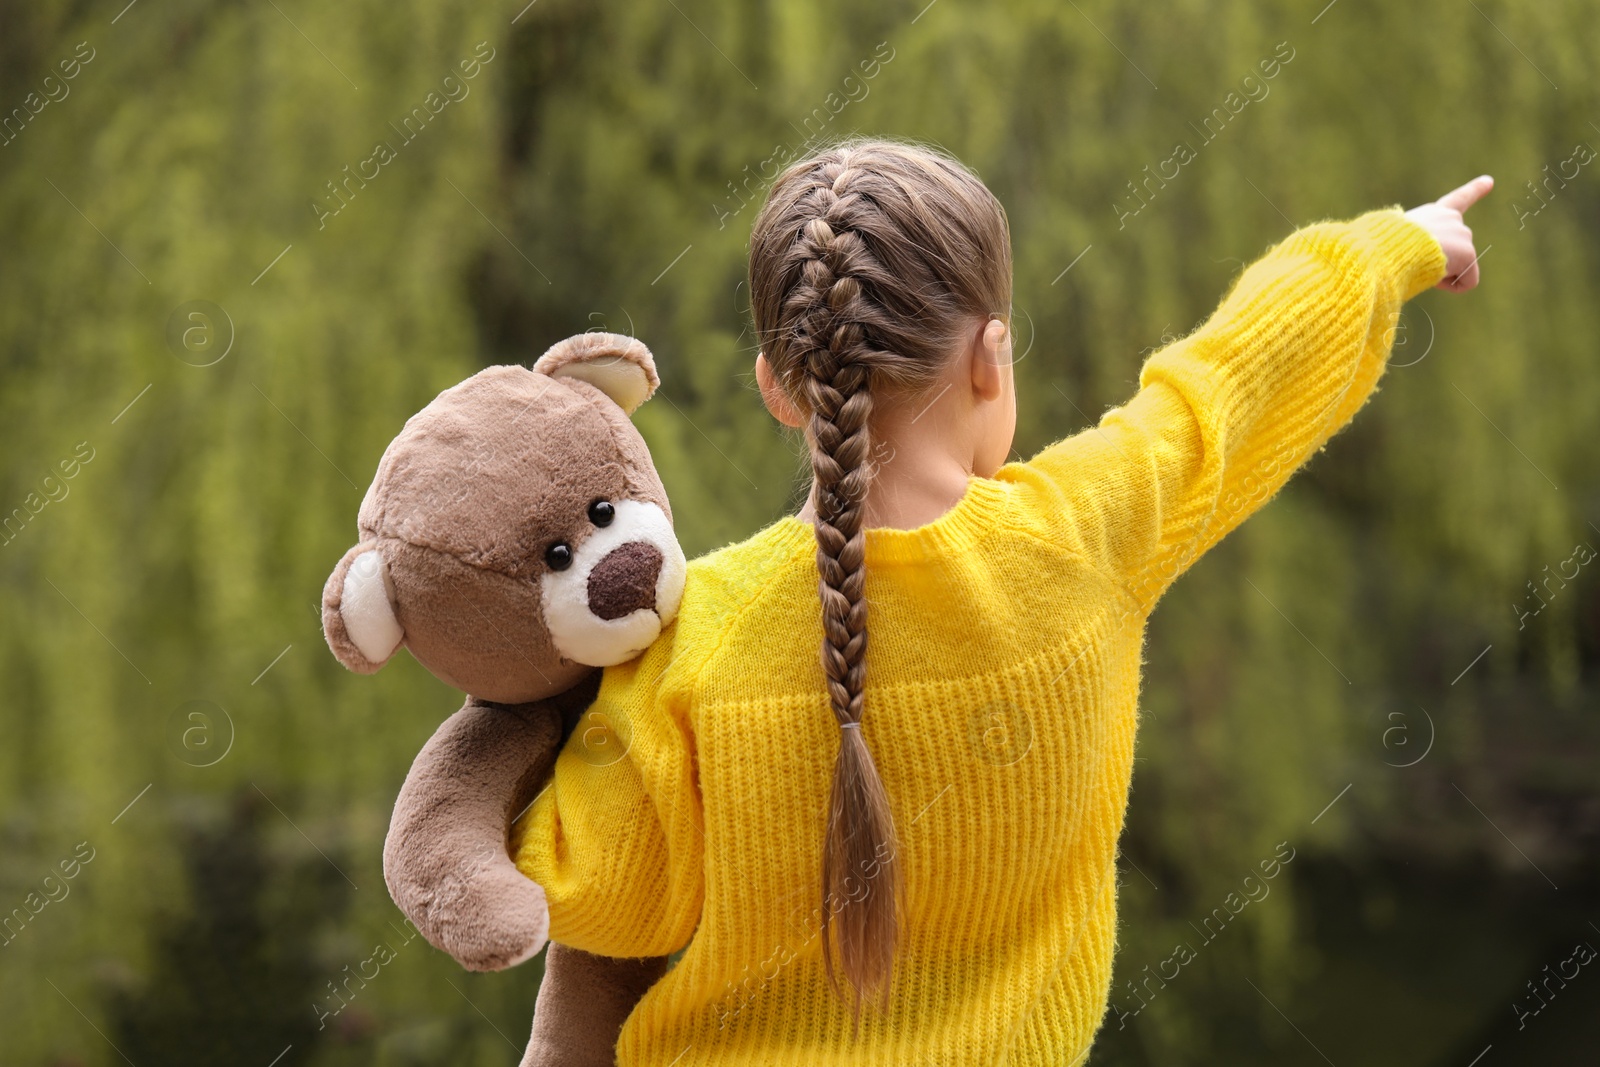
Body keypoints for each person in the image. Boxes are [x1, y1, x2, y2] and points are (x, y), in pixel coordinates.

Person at [510, 137, 1490, 1065]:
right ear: (990, 353)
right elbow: (1232, 381)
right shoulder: (1087, 536)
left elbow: (589, 890)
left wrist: (528, 718)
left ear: (777, 386)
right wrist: (1389, 246)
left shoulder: (690, 634)